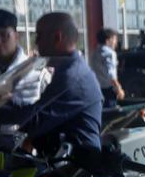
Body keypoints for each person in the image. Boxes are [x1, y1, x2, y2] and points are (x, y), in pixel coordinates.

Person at [22, 11, 104, 154]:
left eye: (39, 36)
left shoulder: (71, 76)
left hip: (76, 168)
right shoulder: (66, 69)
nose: (36, 42)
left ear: (57, 37)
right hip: (60, 160)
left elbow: (33, 122)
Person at [96, 27, 122, 101]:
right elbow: (111, 74)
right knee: (111, 111)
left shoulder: (94, 53)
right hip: (109, 91)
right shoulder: (110, 53)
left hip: (97, 89)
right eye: (114, 39)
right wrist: (119, 89)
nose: (116, 42)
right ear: (108, 40)